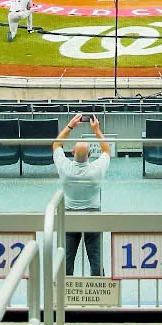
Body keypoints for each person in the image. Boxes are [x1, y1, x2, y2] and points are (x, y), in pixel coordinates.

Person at [53, 114, 112, 276]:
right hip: (92, 217)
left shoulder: (65, 169)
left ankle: (64, 294)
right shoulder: (96, 170)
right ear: (89, 156)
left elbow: (56, 144)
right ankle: (100, 294)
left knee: (66, 259)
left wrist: (71, 125)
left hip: (70, 217)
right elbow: (107, 150)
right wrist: (96, 130)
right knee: (96, 260)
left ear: (72, 153)